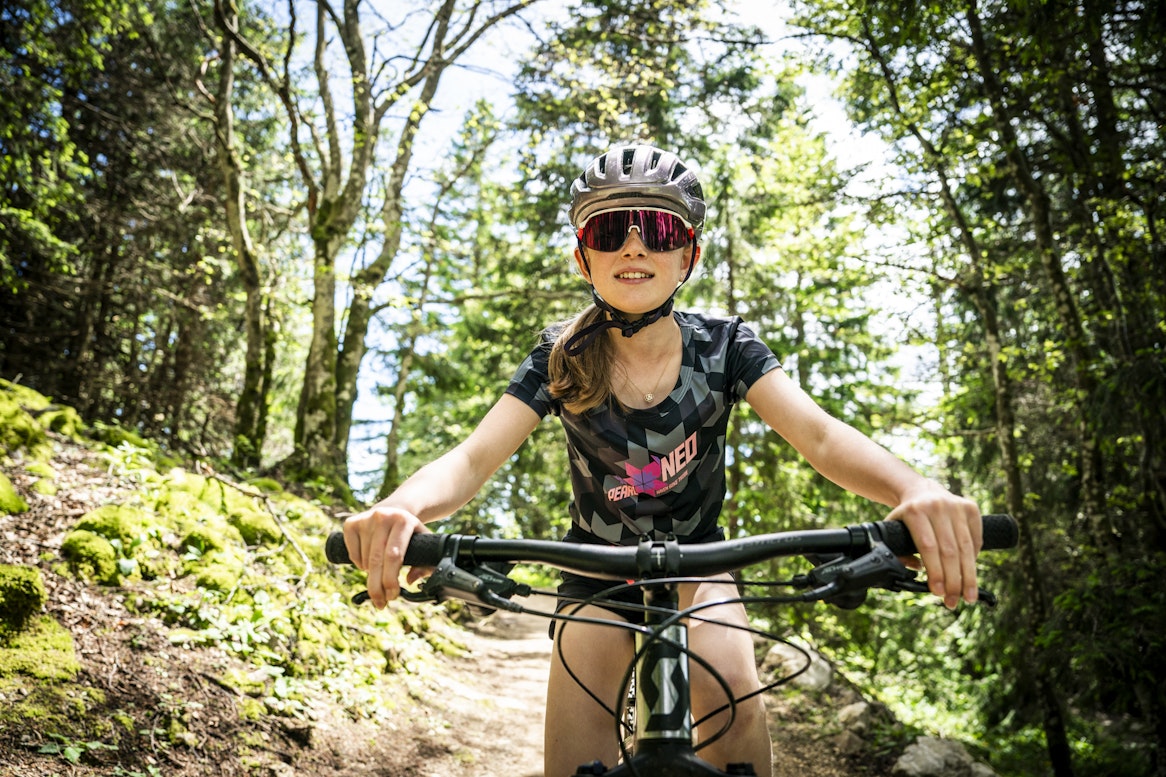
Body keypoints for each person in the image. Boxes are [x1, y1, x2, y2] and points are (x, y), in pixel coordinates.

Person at [340, 143, 984, 777]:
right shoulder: (558, 358)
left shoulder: (727, 347)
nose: (633, 246)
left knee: (732, 692)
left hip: (701, 563)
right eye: (610, 230)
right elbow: (473, 459)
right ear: (583, 257)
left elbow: (818, 435)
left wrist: (914, 489)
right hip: (595, 571)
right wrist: (402, 506)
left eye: (658, 229)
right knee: (578, 739)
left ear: (688, 256)